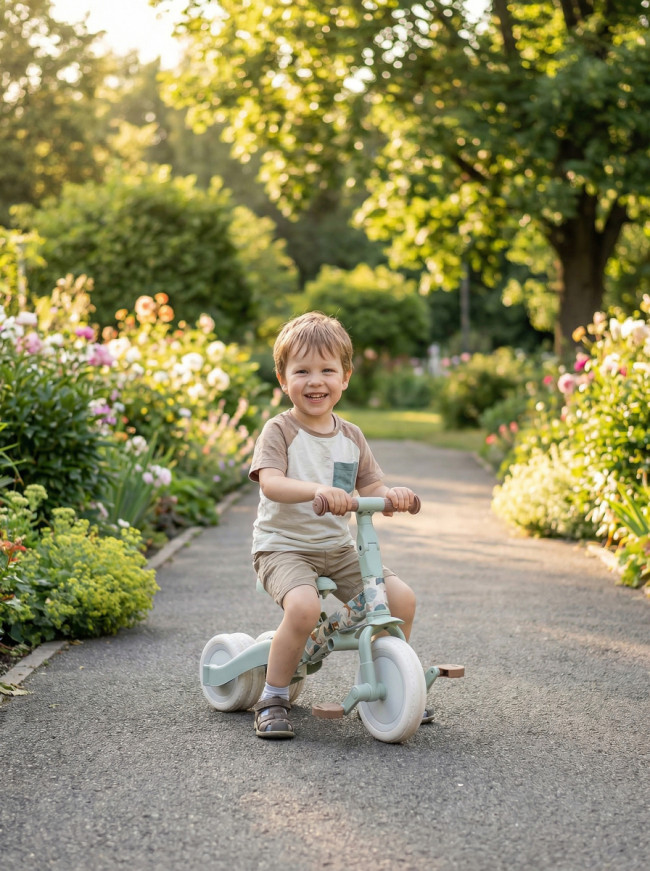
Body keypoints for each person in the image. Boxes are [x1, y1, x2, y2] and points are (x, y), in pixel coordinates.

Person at [249, 311, 429, 739]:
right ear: (282, 378)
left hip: (339, 546)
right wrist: (316, 490)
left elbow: (373, 485)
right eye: (302, 371)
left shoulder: (351, 435)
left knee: (400, 600)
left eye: (327, 370)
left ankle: (395, 684)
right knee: (305, 610)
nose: (316, 381)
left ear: (345, 377)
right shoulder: (279, 430)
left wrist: (392, 497)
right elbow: (271, 483)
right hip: (282, 546)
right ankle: (273, 696)